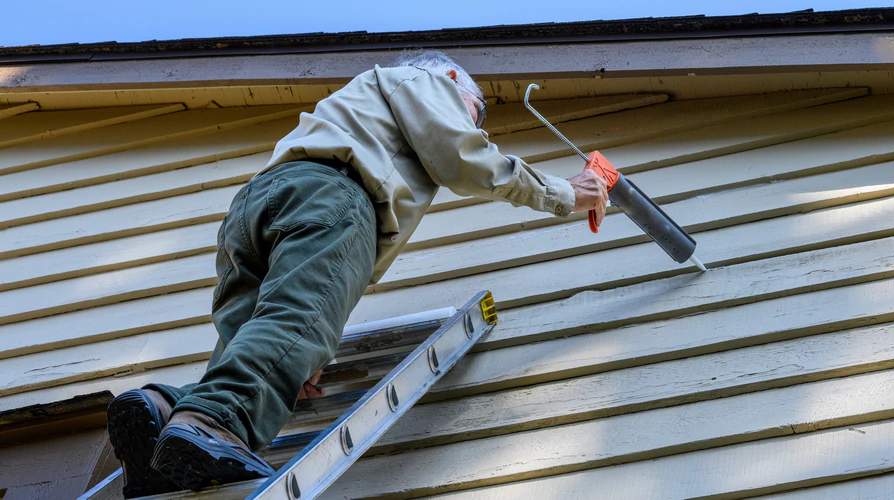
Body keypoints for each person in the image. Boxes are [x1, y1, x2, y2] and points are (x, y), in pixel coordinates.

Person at [103, 50, 610, 496]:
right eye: (473, 116)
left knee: (251, 341)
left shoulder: (351, 108)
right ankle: (210, 422)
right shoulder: (424, 81)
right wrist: (564, 193)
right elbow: (462, 158)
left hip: (254, 209)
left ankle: (161, 413)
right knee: (291, 327)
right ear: (453, 79)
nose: (474, 129)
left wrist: (305, 352)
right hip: (334, 195)